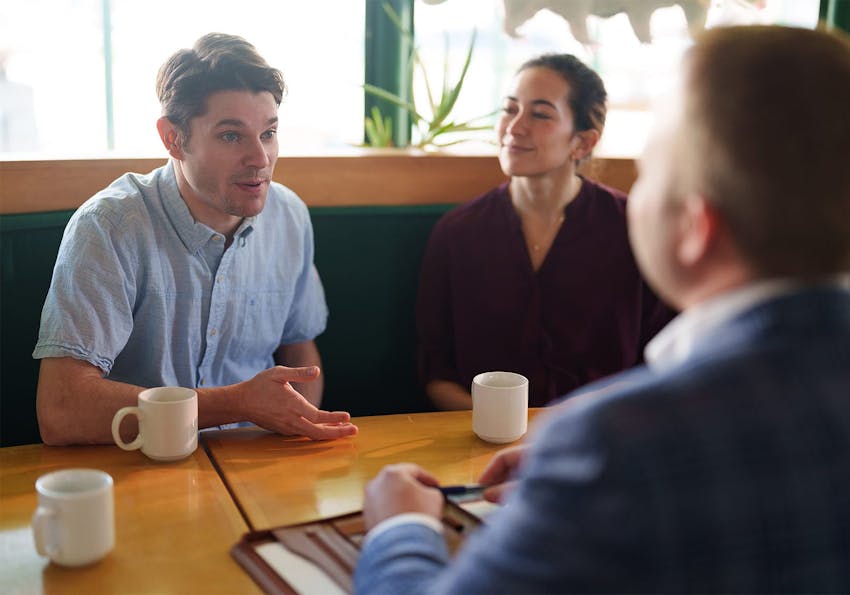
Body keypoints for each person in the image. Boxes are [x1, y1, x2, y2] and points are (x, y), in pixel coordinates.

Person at [355, 25, 850, 592]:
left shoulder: (619, 445)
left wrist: (400, 526)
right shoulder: (613, 443)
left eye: (652, 171)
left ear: (695, 227)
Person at [33, 33, 357, 445]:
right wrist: (238, 403)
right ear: (173, 138)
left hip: (256, 462)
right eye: (230, 136)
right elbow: (61, 410)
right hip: (136, 467)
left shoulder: (289, 216)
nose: (260, 159)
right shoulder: (110, 226)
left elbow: (300, 355)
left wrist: (297, 435)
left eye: (269, 133)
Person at [417, 53, 674, 409]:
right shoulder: (458, 232)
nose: (515, 127)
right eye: (510, 109)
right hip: (477, 438)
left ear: (583, 143)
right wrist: (496, 428)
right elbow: (436, 370)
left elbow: (665, 358)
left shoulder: (635, 227)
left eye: (540, 114)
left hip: (606, 435)